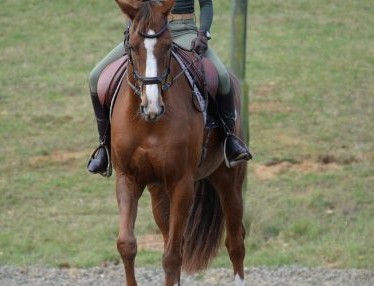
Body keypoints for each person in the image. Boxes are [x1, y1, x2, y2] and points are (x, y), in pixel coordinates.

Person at [87, 0, 252, 176]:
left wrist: (203, 34)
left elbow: (206, 5)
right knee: (95, 77)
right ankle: (104, 146)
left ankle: (230, 139)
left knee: (223, 76)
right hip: (148, 33)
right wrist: (133, 27)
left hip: (184, 31)